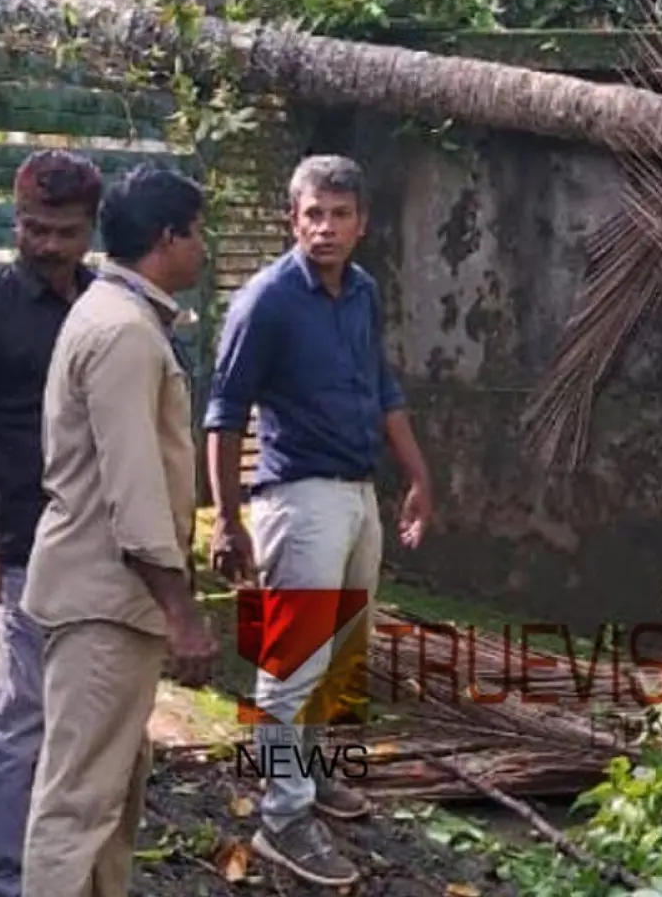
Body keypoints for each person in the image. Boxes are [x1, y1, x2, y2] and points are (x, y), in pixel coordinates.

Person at [203, 153, 436, 888]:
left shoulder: (362, 292)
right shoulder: (266, 301)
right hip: (295, 498)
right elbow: (224, 414)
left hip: (356, 491)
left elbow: (383, 387)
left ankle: (313, 780)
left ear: (361, 223)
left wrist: (419, 476)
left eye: (338, 215)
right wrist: (224, 520)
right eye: (312, 215)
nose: (324, 228)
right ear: (291, 219)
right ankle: (281, 818)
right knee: (289, 666)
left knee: (337, 658)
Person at [20, 165, 218, 897]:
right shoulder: (123, 332)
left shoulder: (113, 315)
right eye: (198, 233)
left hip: (106, 595)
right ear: (168, 239)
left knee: (110, 794)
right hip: (103, 595)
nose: (204, 248)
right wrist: (183, 616)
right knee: (79, 803)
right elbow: (133, 495)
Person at [0, 148, 103, 897]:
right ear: (15, 220)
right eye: (34, 228)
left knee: (86, 723)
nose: (47, 245)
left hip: (100, 544)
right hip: (24, 542)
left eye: (64, 232)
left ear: (90, 230)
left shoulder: (104, 306)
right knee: (19, 718)